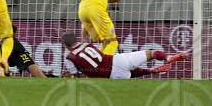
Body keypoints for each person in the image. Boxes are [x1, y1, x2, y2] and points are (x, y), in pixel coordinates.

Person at [61, 32, 189, 79]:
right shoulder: (87, 45)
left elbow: (75, 76)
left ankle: (152, 70)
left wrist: (68, 75)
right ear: (75, 39)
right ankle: (168, 57)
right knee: (150, 53)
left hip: (110, 76)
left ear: (65, 45)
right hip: (117, 61)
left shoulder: (70, 57)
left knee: (128, 74)